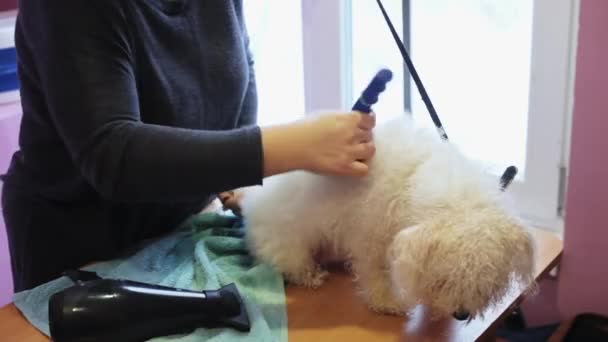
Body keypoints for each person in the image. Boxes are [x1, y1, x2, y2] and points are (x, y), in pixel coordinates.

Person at [0, 0, 376, 292]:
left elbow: (237, 72)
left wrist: (233, 185)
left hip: (182, 230)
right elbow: (113, 154)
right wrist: (293, 147)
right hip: (83, 250)